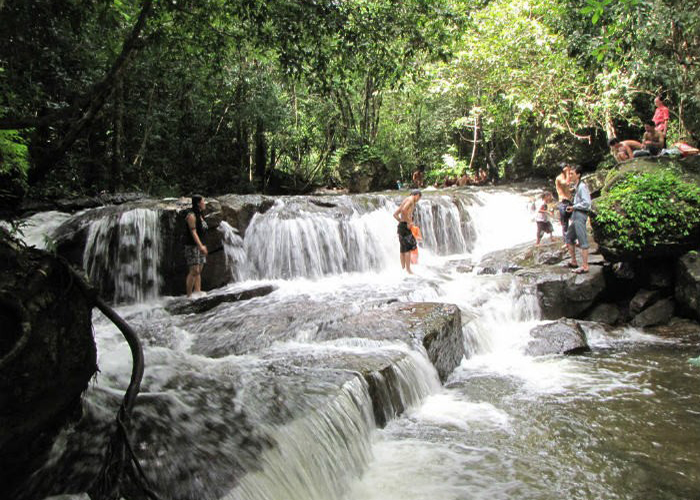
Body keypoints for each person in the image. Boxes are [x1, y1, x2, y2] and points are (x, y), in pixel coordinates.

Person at [565, 166, 591, 274]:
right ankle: (574, 261)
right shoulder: (577, 187)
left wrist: (574, 207)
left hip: (580, 215)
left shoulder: (582, 187)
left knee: (582, 240)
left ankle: (585, 266)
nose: (569, 176)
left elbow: (587, 203)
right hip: (576, 215)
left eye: (572, 174)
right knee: (569, 237)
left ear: (578, 175)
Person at [185, 194, 208, 297]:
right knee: (194, 270)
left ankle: (198, 292)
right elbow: (193, 232)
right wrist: (200, 246)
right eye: (203, 201)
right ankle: (189, 296)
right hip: (192, 246)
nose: (205, 203)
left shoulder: (200, 215)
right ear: (198, 203)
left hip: (200, 244)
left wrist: (202, 245)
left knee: (199, 270)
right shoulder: (192, 216)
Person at [393, 189, 422, 274]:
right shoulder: (410, 200)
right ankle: (408, 270)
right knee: (408, 248)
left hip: (401, 226)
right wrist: (408, 222)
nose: (418, 200)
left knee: (402, 248)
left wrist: (401, 221)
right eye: (419, 198)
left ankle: (403, 269)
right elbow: (403, 210)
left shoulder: (405, 200)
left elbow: (395, 214)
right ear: (417, 195)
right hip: (405, 227)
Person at [555, 163, 573, 245]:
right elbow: (566, 183)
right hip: (563, 203)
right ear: (563, 169)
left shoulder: (567, 176)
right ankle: (566, 243)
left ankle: (574, 239)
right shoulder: (559, 178)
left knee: (575, 220)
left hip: (569, 202)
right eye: (567, 167)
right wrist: (567, 172)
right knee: (565, 224)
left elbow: (569, 186)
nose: (569, 168)